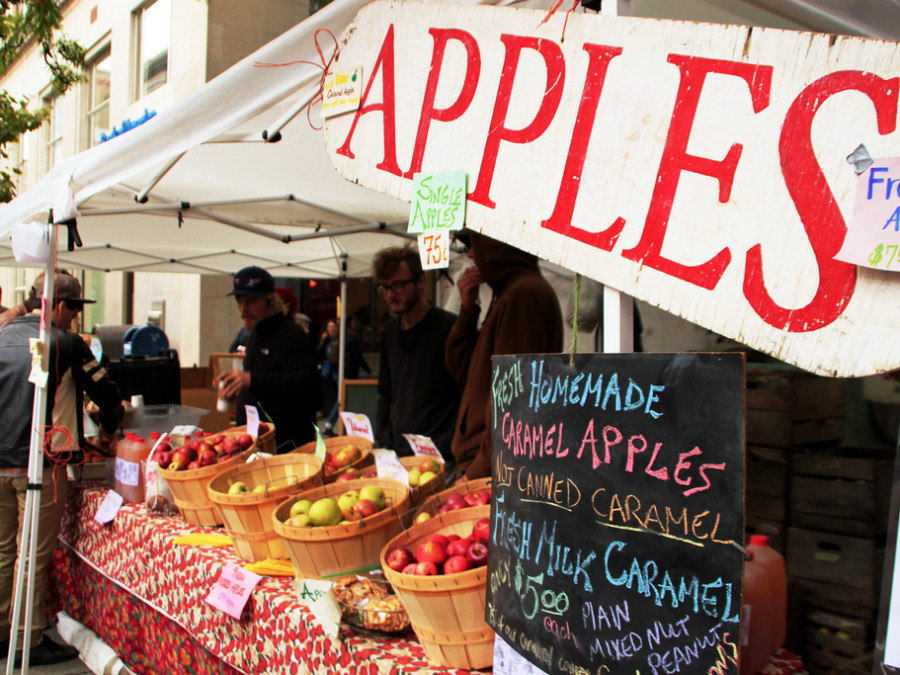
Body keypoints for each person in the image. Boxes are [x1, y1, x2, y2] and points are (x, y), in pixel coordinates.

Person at [0, 272, 123, 666]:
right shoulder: (65, 343)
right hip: (42, 463)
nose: (74, 318)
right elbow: (107, 393)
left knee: (3, 550)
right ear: (56, 305)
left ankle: (2, 631)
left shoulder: (2, 334)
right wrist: (110, 427)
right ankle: (27, 638)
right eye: (72, 309)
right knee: (31, 555)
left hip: (0, 461)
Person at [446, 230, 563, 478]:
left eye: (475, 243)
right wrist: (467, 310)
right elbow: (464, 371)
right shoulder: (511, 293)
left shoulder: (523, 295)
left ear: (496, 243)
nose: (470, 254)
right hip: (487, 467)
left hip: (492, 473)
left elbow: (513, 403)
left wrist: (476, 473)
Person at [216, 266, 321, 452]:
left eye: (251, 301)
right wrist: (236, 386)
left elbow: (306, 385)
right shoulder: (256, 333)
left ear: (270, 300)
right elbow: (260, 382)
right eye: (239, 301)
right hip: (255, 443)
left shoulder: (291, 335)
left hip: (286, 446)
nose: (243, 308)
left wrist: (251, 379)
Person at [372, 244, 460, 461]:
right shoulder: (389, 332)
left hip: (439, 456)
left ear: (420, 282)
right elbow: (385, 391)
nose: (391, 294)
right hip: (397, 454)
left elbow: (466, 395)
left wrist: (445, 444)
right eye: (384, 287)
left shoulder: (450, 329)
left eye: (398, 285)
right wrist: (384, 435)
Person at [322, 315, 372, 435]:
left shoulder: (340, 338)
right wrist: (368, 370)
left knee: (343, 398)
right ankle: (331, 424)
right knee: (343, 398)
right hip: (347, 372)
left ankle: (345, 426)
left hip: (337, 372)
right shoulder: (351, 338)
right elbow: (358, 356)